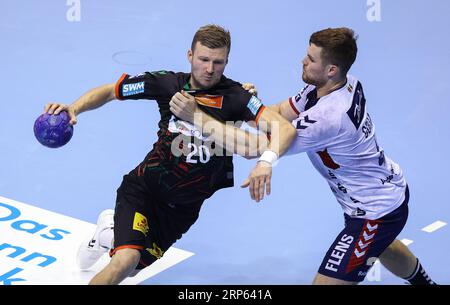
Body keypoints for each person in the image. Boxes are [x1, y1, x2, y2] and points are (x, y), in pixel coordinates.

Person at [171, 27, 437, 285]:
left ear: (331, 69)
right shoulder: (334, 86)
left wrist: (197, 117)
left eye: (311, 59)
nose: (303, 61)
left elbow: (254, 147)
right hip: (385, 189)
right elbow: (279, 113)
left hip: (375, 211)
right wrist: (249, 106)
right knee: (383, 245)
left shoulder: (329, 118)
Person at [43, 24, 296, 285]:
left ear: (227, 61)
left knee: (133, 268)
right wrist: (74, 107)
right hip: (144, 189)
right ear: (190, 56)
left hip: (182, 210)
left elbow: (274, 135)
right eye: (203, 59)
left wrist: (196, 117)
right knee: (125, 260)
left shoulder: (237, 97)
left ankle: (107, 233)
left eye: (218, 62)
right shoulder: (167, 84)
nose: (209, 69)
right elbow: (111, 91)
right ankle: (116, 236)